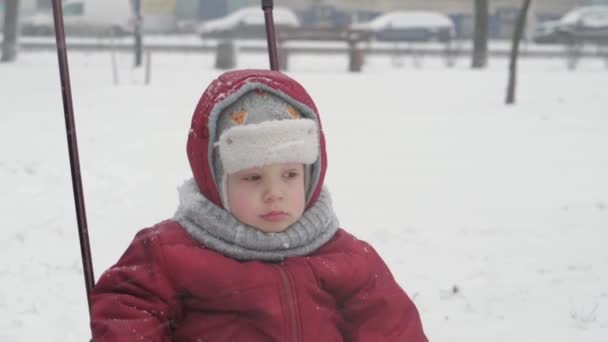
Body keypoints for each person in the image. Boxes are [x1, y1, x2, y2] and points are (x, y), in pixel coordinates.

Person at [90, 69, 427, 341]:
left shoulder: (348, 258)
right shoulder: (169, 253)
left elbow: (392, 329)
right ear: (216, 182)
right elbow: (127, 313)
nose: (274, 193)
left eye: (290, 175)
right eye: (252, 178)